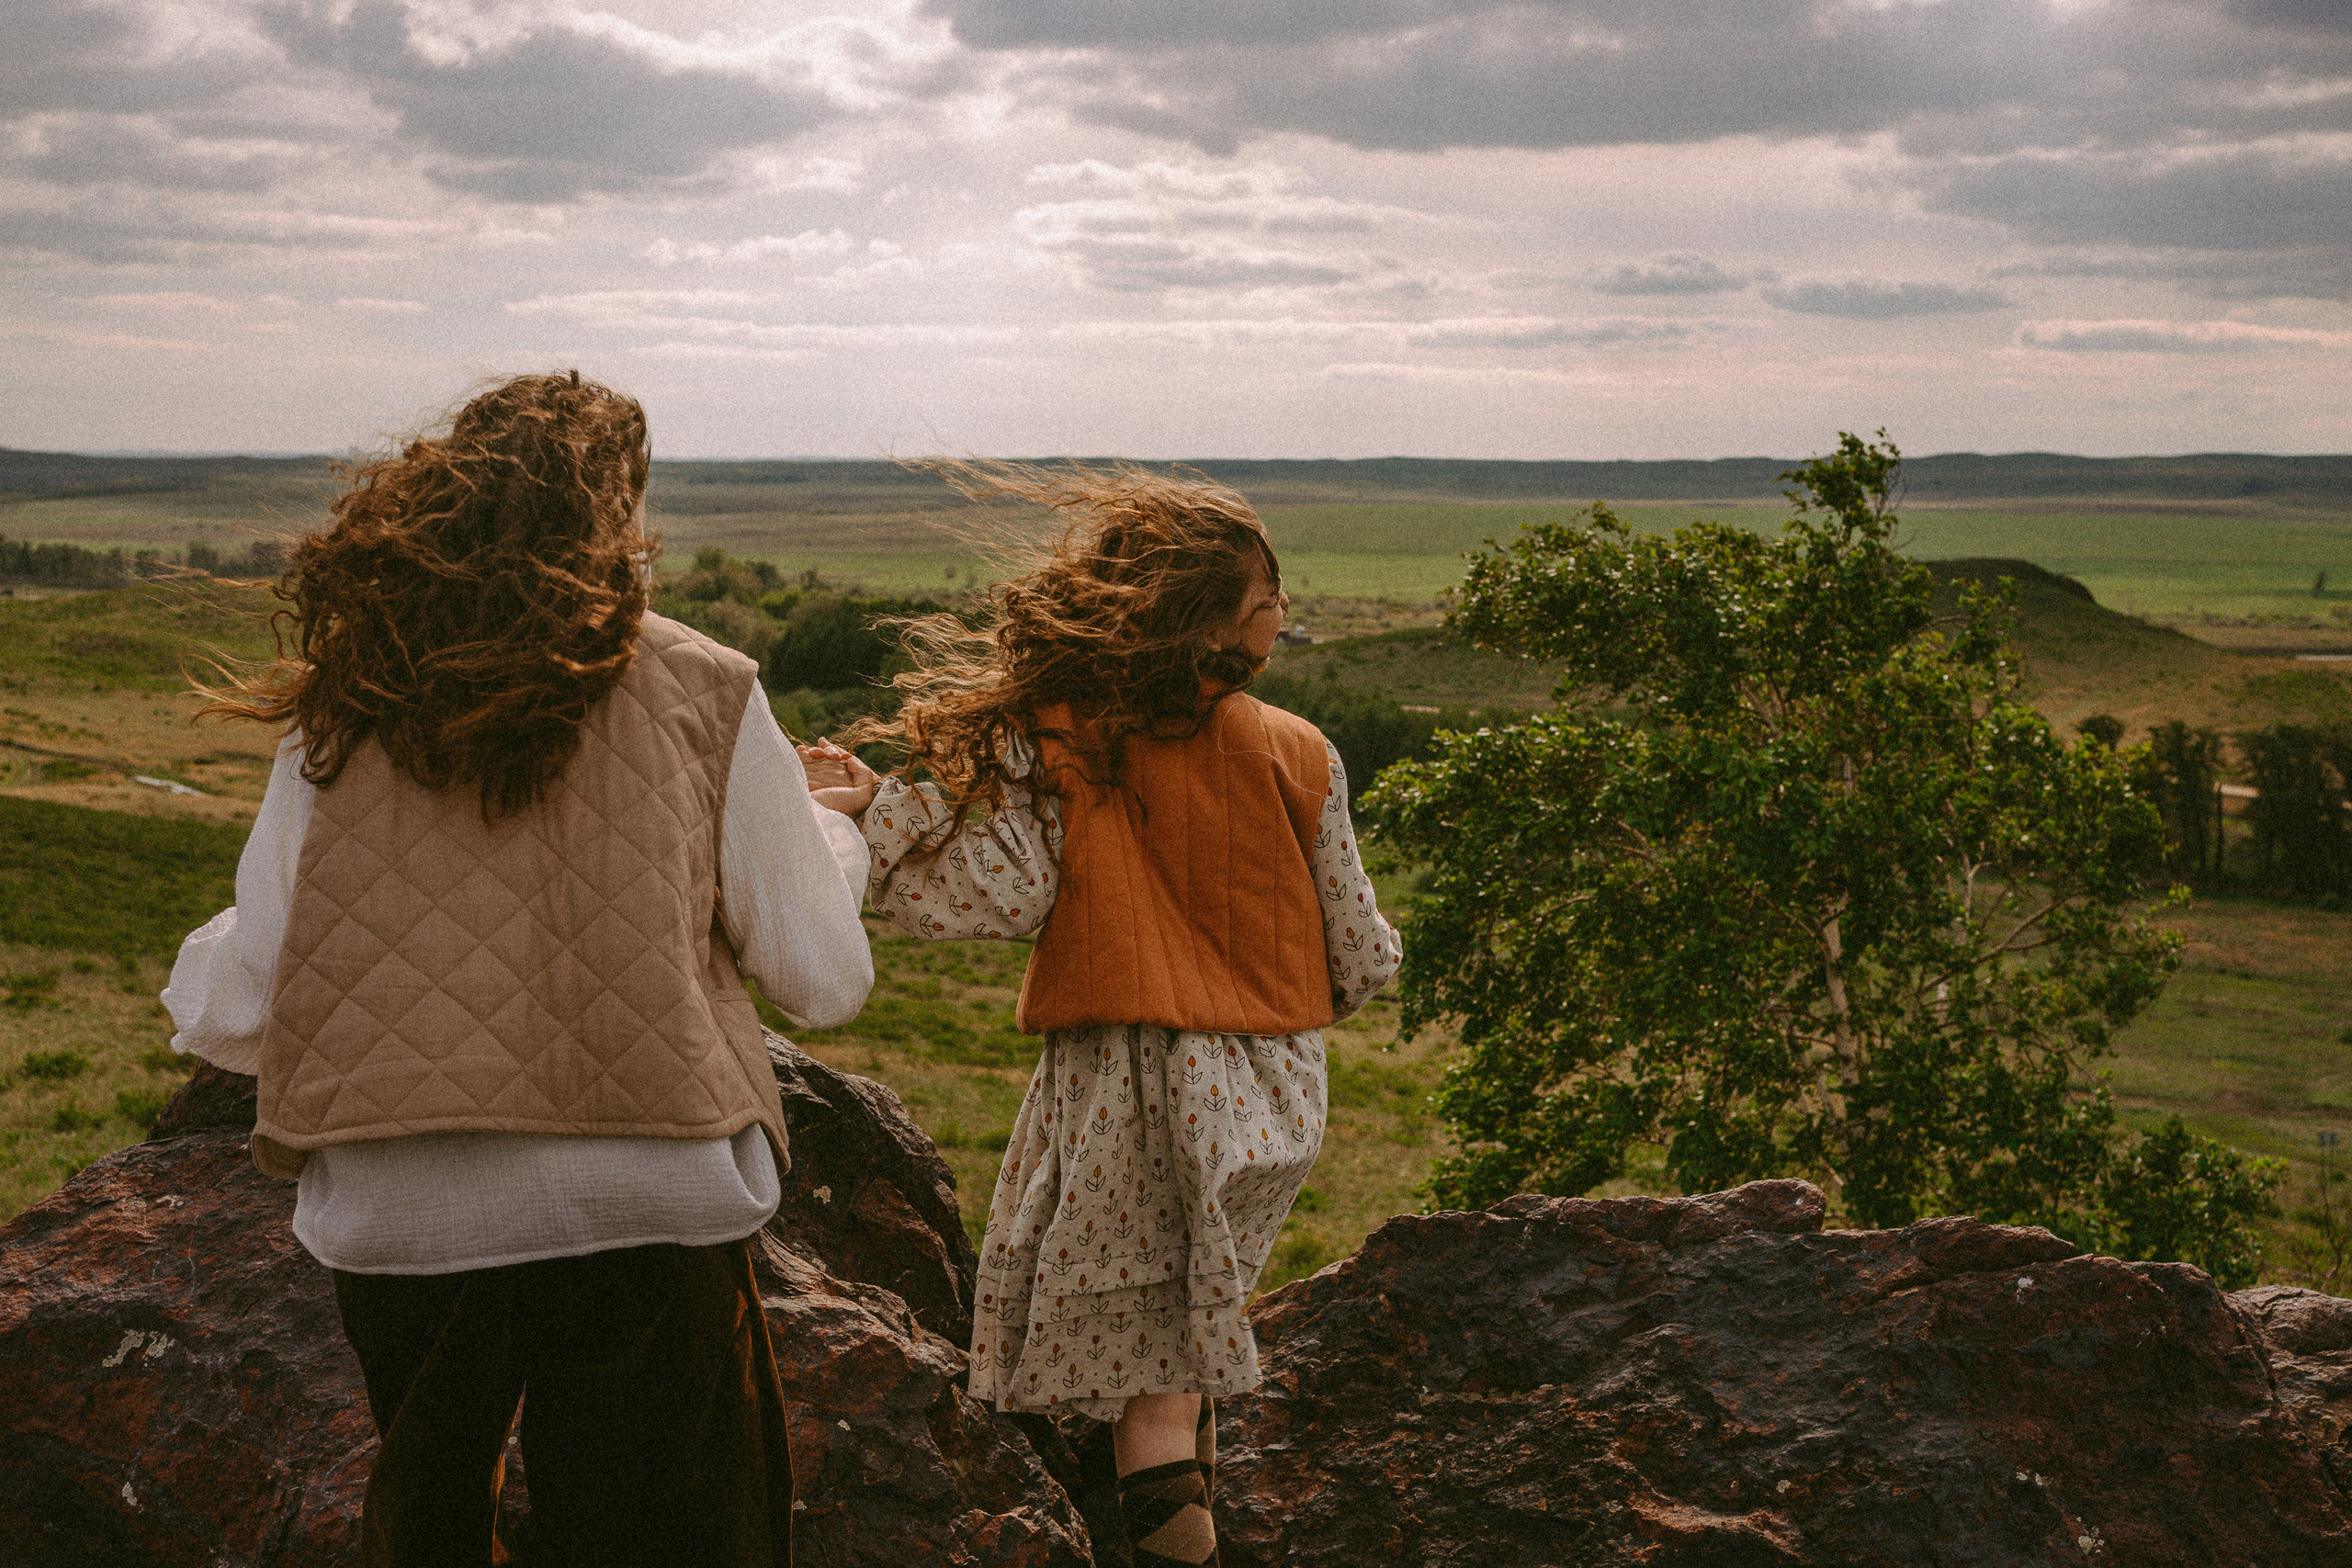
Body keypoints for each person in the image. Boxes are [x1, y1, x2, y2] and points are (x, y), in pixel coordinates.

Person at [162, 372, 875, 1567]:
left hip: (401, 1198)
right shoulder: (706, 685)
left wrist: (202, 998)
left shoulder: (352, 689)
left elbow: (265, 967)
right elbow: (820, 976)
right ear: (624, 506)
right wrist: (831, 828)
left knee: (430, 1523)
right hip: (652, 1189)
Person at [800, 463, 1400, 1568]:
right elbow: (1360, 956)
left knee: (1151, 1387)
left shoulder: (1066, 736)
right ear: (1216, 620)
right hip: (1274, 1089)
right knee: (1185, 1348)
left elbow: (1003, 892)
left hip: (1132, 1087)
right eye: (1268, 593)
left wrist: (875, 817)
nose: (1281, 611)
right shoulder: (1301, 750)